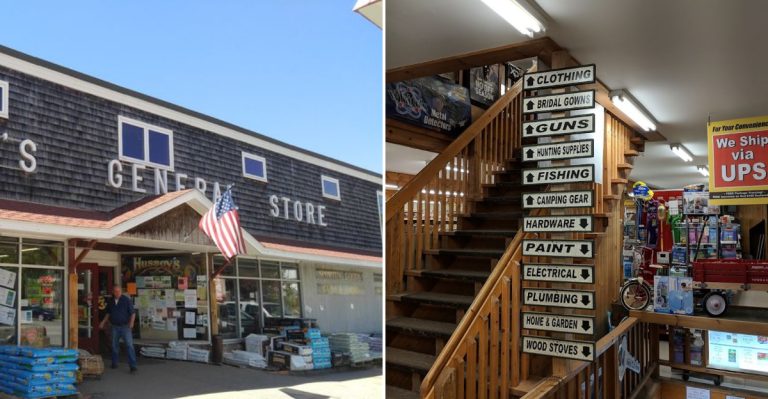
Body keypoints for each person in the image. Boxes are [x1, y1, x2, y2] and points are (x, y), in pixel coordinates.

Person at [99, 284, 137, 373]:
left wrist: (131, 323)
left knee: (129, 345)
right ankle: (114, 363)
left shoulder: (126, 300)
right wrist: (103, 322)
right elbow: (108, 313)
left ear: (121, 291)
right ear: (113, 292)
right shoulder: (111, 301)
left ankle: (133, 365)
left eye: (118, 291)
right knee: (114, 345)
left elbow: (133, 313)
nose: (117, 293)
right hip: (114, 326)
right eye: (115, 291)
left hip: (125, 326)